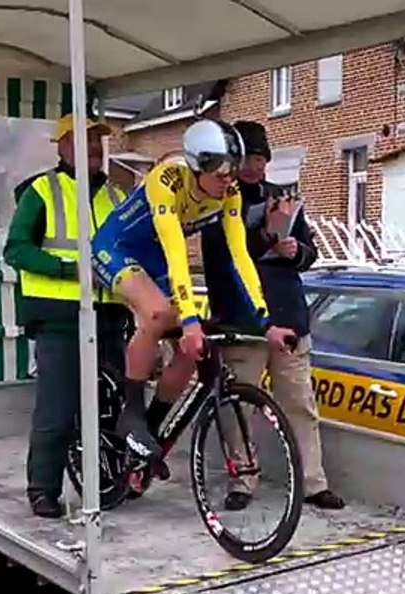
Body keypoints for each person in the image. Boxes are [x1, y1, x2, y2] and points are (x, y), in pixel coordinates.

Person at [91, 118, 298, 459]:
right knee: (158, 313)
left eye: (233, 172)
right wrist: (188, 321)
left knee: (192, 351)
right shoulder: (167, 180)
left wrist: (266, 321)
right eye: (219, 173)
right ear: (196, 165)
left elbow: (240, 257)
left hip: (154, 258)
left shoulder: (228, 193)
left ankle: (152, 431)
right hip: (116, 249)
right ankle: (131, 414)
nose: (228, 182)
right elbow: (177, 254)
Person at [201, 120, 346, 511]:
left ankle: (312, 481)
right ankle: (243, 479)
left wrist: (293, 249)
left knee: (299, 401)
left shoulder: (282, 198)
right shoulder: (217, 199)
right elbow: (219, 257)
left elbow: (310, 253)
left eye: (261, 158)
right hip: (242, 318)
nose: (254, 167)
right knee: (240, 404)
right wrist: (263, 236)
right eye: (248, 158)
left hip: (288, 314)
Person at [3, 113, 130, 518]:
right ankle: (43, 489)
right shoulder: (42, 191)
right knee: (56, 411)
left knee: (110, 408)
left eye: (98, 141)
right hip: (58, 318)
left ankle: (111, 479)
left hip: (109, 316)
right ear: (62, 147)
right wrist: (68, 269)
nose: (94, 148)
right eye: (83, 140)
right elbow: (16, 250)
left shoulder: (117, 196)